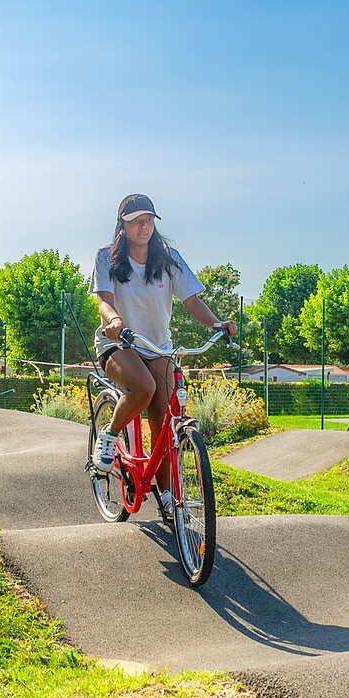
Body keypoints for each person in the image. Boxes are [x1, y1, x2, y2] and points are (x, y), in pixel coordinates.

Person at [88, 194, 237, 515]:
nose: (144, 226)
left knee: (164, 423)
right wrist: (114, 320)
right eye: (136, 221)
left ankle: (168, 496)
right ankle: (110, 436)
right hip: (119, 343)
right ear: (123, 225)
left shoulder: (169, 258)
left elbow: (192, 301)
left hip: (158, 346)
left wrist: (217, 322)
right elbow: (104, 300)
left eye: (149, 220)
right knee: (144, 388)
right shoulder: (106, 257)